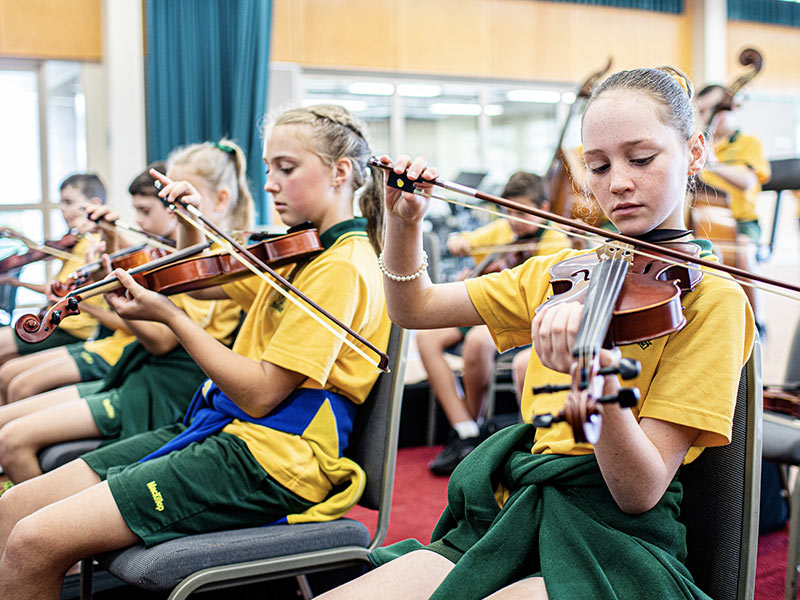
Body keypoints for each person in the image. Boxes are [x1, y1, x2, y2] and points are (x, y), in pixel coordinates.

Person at [318, 67, 754, 600]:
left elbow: (638, 491)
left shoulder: (713, 300)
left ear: (693, 152)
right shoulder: (563, 274)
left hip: (617, 540)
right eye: (597, 165)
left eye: (641, 159)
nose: (616, 182)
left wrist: (593, 375)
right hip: (515, 511)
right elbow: (414, 307)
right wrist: (403, 223)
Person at [0, 104, 390, 599]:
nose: (269, 182)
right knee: (14, 512)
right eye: (268, 168)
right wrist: (190, 223)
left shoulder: (341, 266)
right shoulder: (304, 251)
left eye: (285, 168)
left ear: (341, 172)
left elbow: (262, 394)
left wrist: (171, 319)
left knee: (33, 540)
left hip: (270, 459)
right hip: (223, 432)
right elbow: (201, 285)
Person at [0, 144, 249, 485]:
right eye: (172, 203)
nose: (145, 221)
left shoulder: (229, 267)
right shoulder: (185, 260)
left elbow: (161, 339)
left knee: (12, 430)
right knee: (9, 414)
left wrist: (109, 295)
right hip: (137, 371)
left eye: (175, 204)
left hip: (166, 387)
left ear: (220, 200)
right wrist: (114, 261)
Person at [419, 172, 570, 476]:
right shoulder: (503, 230)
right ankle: (465, 428)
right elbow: (463, 241)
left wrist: (497, 270)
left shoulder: (554, 240)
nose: (513, 220)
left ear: (543, 207)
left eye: (522, 212)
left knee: (476, 341)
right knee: (427, 338)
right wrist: (461, 245)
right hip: (495, 309)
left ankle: (471, 436)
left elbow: (539, 293)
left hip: (528, 319)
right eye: (508, 211)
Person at [0, 163, 177, 405]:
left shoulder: (166, 259)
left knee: (16, 378)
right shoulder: (146, 250)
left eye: (145, 211)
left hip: (87, 335)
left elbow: (155, 336)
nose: (138, 221)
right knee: (9, 373)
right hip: (112, 343)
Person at [0, 174, 110, 366]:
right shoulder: (77, 240)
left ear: (93, 204)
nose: (61, 208)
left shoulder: (94, 245)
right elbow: (45, 251)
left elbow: (60, 290)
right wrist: (20, 237)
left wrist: (13, 282)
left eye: (68, 202)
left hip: (69, 327)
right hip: (54, 319)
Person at [694, 84, 770, 337]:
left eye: (719, 109)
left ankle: (757, 323)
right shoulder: (696, 144)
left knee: (744, 250)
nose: (713, 116)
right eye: (705, 111)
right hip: (702, 222)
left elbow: (748, 180)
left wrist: (713, 164)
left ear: (732, 107)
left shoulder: (749, 143)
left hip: (742, 222)